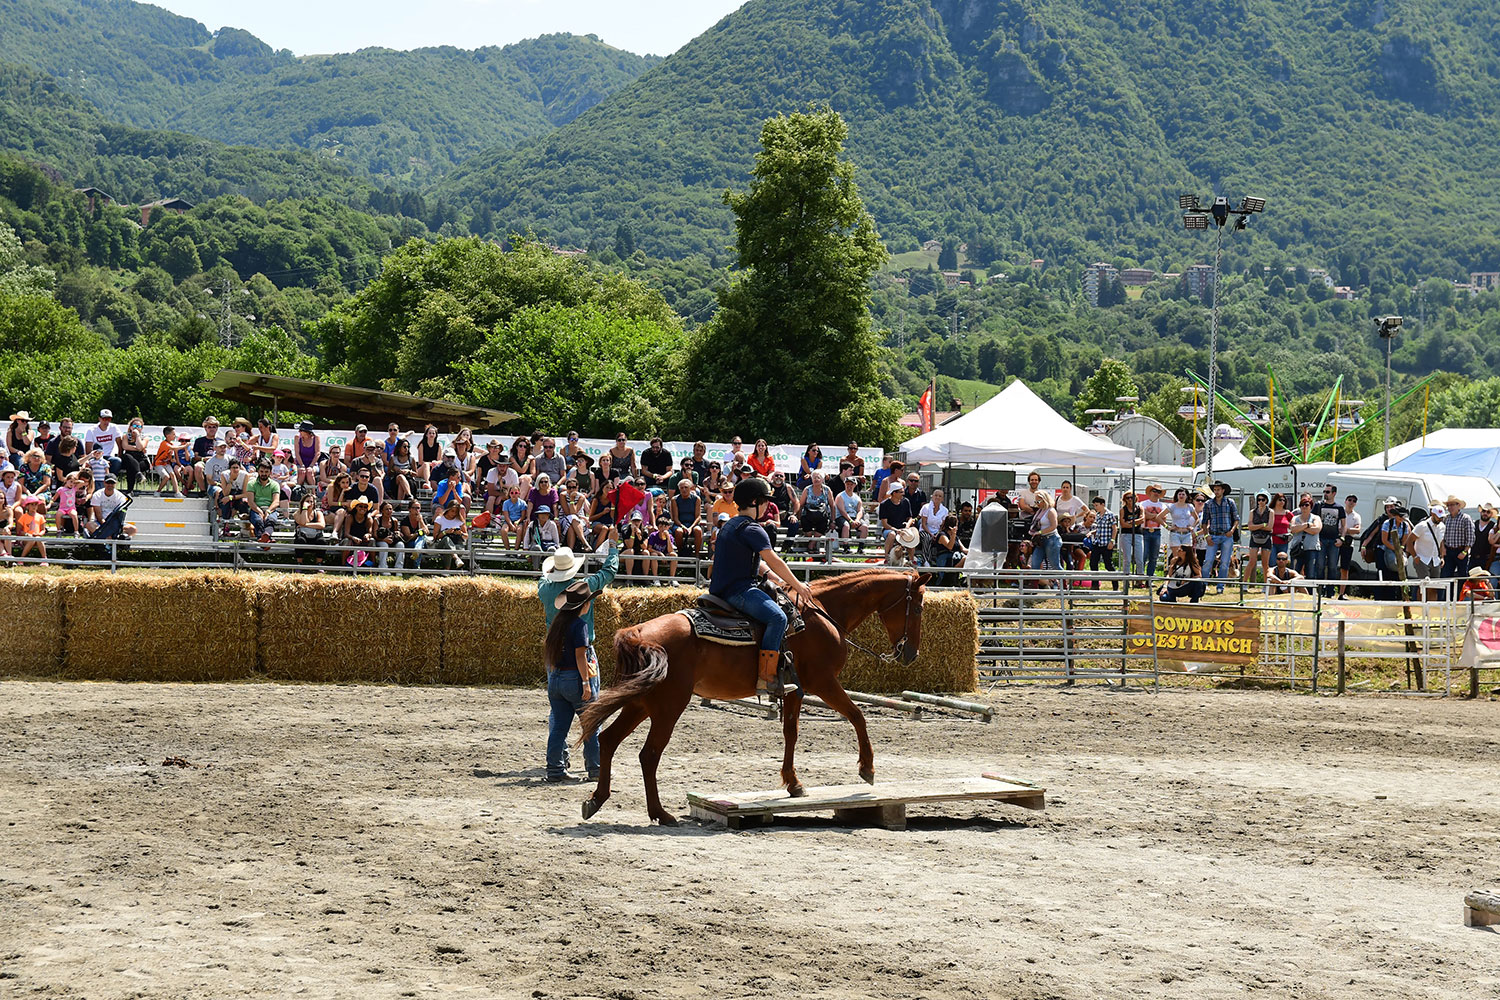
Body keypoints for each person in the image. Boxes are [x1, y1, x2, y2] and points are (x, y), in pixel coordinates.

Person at [709, 477, 814, 697]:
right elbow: (774, 559)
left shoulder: (731, 525)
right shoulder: (754, 529)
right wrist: (798, 586)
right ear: (755, 502)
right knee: (778, 618)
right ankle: (767, 679)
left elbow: (758, 563)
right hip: (739, 591)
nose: (767, 506)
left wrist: (778, 580)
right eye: (765, 501)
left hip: (720, 590)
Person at [542, 580, 602, 783]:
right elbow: (580, 657)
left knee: (559, 727)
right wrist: (586, 683)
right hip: (574, 679)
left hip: (556, 679)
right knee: (591, 725)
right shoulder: (580, 626)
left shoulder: (557, 625)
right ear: (583, 605)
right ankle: (595, 769)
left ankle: (555, 770)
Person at [1202, 481, 1239, 593]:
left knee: (1225, 562)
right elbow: (1204, 522)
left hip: (1226, 535)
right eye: (1215, 489)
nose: (1216, 491)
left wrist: (1232, 531)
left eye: (1218, 489)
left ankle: (1220, 587)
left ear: (1223, 490)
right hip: (1213, 535)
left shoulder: (1230, 502)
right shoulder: (1208, 504)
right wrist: (1207, 536)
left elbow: (1236, 519)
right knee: (1208, 561)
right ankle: (1203, 585)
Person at [1312, 485, 1345, 597]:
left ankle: (1330, 592)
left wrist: (1342, 539)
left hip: (1333, 541)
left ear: (1334, 493)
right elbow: (1313, 521)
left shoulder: (1339, 508)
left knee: (1332, 567)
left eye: (1328, 492)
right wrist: (1316, 538)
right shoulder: (1318, 505)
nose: (1325, 494)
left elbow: (1344, 525)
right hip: (1321, 539)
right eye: (1324, 491)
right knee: (1320, 566)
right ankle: (1320, 591)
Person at [1406, 504, 1445, 595]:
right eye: (1438, 517)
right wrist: (1415, 556)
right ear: (1432, 514)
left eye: (1441, 517)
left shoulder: (1442, 526)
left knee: (1434, 587)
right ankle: (1421, 607)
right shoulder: (1422, 526)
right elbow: (1409, 541)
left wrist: (1442, 557)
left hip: (1435, 559)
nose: (1440, 519)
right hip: (1422, 558)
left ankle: (1432, 607)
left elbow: (1441, 542)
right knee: (1423, 587)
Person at [88, 474, 135, 542]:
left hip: (115, 524)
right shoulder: (97, 495)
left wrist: (113, 527)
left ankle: (109, 539)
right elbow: (98, 515)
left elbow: (120, 515)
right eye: (108, 482)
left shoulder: (120, 497)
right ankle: (111, 541)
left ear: (115, 483)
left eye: (112, 483)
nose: (110, 485)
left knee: (133, 529)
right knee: (89, 525)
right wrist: (106, 527)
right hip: (100, 524)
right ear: (104, 482)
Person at [1086, 495, 1119, 589]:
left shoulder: (1110, 515)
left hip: (1106, 543)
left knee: (1108, 565)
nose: (1095, 507)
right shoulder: (1097, 515)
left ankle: (1115, 585)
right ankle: (1095, 585)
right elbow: (1099, 529)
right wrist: (1092, 532)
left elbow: (1114, 528)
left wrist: (1112, 541)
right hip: (1098, 542)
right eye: (1094, 505)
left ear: (1102, 504)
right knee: (1093, 563)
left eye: (1097, 505)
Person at [1028, 491, 1062, 577]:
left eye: (1038, 501)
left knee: (1055, 565)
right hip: (1041, 540)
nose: (1037, 504)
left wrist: (1039, 532)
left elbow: (1054, 526)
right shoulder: (1040, 511)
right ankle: (1034, 587)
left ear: (1044, 500)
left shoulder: (1051, 511)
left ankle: (1065, 586)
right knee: (1035, 564)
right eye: (1035, 502)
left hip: (1052, 539)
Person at [1288, 494, 1322, 579]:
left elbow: (1316, 530)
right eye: (1302, 505)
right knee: (1295, 572)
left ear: (1311, 506)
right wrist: (1307, 525)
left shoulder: (1316, 518)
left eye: (1307, 505)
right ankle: (1294, 592)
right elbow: (1292, 529)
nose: (1304, 507)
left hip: (1312, 549)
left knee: (1311, 574)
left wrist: (1300, 527)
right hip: (1297, 550)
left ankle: (1310, 592)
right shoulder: (1295, 518)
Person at [878, 480, 914, 560]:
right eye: (901, 492)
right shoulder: (884, 504)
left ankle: (911, 559)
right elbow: (885, 524)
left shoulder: (906, 502)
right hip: (889, 530)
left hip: (903, 529)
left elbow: (910, 518)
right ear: (894, 493)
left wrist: (907, 526)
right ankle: (887, 557)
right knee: (892, 535)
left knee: (912, 535)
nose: (903, 494)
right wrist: (897, 530)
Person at [1243, 492, 1273, 586]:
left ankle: (1265, 585)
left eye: (1263, 500)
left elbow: (1270, 527)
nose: (1260, 502)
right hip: (1254, 538)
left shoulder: (1270, 512)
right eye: (1259, 500)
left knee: (1265, 563)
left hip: (1266, 538)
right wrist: (1262, 525)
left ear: (1266, 501)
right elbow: (1250, 526)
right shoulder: (1252, 512)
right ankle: (1244, 584)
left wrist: (1256, 526)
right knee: (1252, 561)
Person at [1441, 496, 1474, 580]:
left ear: (1458, 505)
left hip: (1460, 550)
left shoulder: (1465, 518)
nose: (1450, 507)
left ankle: (1461, 593)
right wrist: (1443, 548)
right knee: (1445, 576)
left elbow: (1471, 537)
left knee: (1462, 577)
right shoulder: (1446, 518)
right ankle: (1447, 593)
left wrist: (1465, 551)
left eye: (1452, 505)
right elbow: (1441, 535)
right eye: (1448, 505)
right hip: (1448, 551)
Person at [1337, 494, 1363, 599]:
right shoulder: (1339, 512)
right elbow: (1336, 528)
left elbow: (1357, 530)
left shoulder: (1356, 516)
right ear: (1345, 501)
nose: (1351, 502)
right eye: (1349, 500)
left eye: (1354, 501)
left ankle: (1341, 593)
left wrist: (1344, 529)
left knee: (1345, 568)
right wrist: (1348, 529)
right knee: (1332, 566)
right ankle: (1328, 591)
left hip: (1348, 543)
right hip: (1337, 540)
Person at [1166, 488, 1197, 559]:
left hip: (1187, 534)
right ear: (1176, 495)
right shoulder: (1172, 506)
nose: (1181, 496)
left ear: (1186, 496)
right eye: (1179, 494)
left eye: (1183, 494)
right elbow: (1159, 517)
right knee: (1176, 556)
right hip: (1175, 534)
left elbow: (1197, 519)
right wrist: (1168, 527)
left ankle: (1184, 570)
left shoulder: (1190, 506)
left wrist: (1192, 527)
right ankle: (1174, 569)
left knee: (1186, 556)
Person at [835, 476, 867, 542]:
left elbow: (860, 510)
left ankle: (861, 547)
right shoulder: (840, 496)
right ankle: (846, 547)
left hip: (854, 517)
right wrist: (850, 521)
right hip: (842, 517)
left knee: (864, 527)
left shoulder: (857, 498)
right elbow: (842, 511)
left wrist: (857, 520)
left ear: (855, 485)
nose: (849, 486)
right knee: (846, 526)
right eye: (847, 484)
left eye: (851, 484)